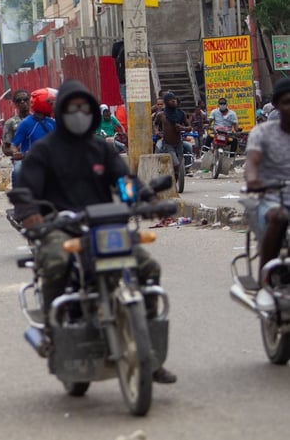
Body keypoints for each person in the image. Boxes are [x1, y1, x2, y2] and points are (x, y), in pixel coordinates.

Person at [10, 80, 177, 384]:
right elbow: (25, 191)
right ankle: (52, 331)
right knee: (57, 262)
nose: (78, 114)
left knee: (148, 268)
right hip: (62, 228)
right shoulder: (43, 152)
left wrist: (148, 200)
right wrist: (32, 217)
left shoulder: (102, 148)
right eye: (71, 108)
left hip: (105, 227)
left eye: (83, 108)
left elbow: (124, 182)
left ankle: (148, 354)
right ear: (60, 112)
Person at [244, 78, 290, 275]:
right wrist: (254, 180)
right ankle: (265, 276)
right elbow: (252, 163)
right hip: (272, 198)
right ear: (277, 106)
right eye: (287, 102)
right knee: (279, 218)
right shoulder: (262, 132)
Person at [10, 88, 56, 185]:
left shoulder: (52, 122)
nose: (53, 106)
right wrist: (16, 153)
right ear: (43, 104)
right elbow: (14, 144)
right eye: (51, 104)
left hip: (50, 160)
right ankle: (18, 198)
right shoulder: (26, 123)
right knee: (17, 172)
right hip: (29, 160)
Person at [154, 92, 191, 173]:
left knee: (180, 164)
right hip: (167, 144)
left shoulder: (181, 114)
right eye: (171, 100)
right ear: (166, 102)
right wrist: (157, 131)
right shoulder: (161, 115)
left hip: (178, 143)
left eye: (174, 99)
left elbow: (189, 127)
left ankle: (179, 178)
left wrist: (182, 128)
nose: (174, 101)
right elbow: (155, 124)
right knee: (176, 164)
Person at [1, 89, 30, 156]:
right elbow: (5, 148)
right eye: (19, 100)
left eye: (25, 99)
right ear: (15, 103)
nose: (22, 102)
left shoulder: (37, 119)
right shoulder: (10, 123)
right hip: (21, 162)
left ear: (30, 100)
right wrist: (15, 152)